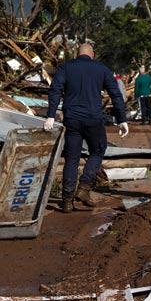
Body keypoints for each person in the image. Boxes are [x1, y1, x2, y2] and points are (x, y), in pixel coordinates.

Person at [44, 43, 128, 212]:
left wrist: (51, 115)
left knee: (72, 157)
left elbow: (54, 90)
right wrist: (122, 119)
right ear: (93, 54)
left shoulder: (66, 67)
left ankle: (67, 200)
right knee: (98, 150)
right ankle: (84, 187)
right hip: (93, 119)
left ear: (77, 54)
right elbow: (115, 94)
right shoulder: (102, 69)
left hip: (72, 119)